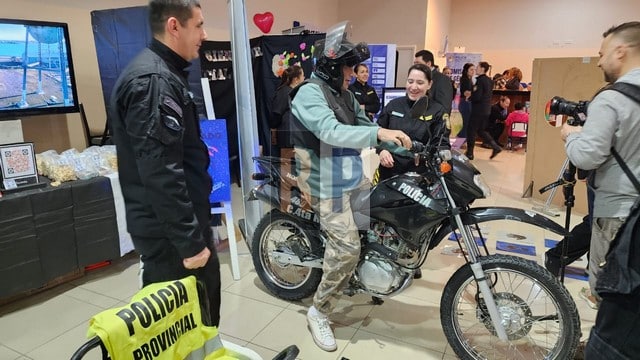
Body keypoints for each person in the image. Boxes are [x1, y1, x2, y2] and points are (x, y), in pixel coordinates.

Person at [290, 28, 411, 352]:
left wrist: (402, 145)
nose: (353, 73)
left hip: (350, 175)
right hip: (322, 182)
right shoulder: (309, 93)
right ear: (332, 67)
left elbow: (363, 125)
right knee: (346, 248)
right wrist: (379, 134)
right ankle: (319, 311)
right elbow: (330, 131)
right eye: (348, 67)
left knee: (367, 231)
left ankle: (353, 278)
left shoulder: (344, 93)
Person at [109, 0, 221, 326]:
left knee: (197, 319)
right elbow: (161, 173)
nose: (204, 34)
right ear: (174, 26)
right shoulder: (153, 81)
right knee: (181, 326)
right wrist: (189, 242)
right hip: (170, 237)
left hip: (178, 226)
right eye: (198, 25)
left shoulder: (164, 72)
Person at [559, 21, 640, 359]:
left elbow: (588, 156)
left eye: (602, 53)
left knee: (611, 286)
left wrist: (569, 136)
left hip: (618, 208)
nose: (599, 61)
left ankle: (603, 346)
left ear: (620, 51)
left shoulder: (612, 98)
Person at [376, 63, 451, 182]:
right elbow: (378, 132)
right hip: (389, 171)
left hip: (420, 174)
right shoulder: (393, 105)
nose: (413, 87)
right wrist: (382, 151)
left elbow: (442, 144)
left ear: (429, 84)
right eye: (410, 81)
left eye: (420, 83)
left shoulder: (438, 111)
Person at [466, 61, 501, 160]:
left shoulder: (480, 81)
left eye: (477, 67)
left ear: (482, 69)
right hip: (486, 109)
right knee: (481, 130)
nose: (476, 69)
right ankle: (495, 146)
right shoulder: (490, 81)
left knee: (471, 130)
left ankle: (470, 153)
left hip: (478, 109)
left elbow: (477, 96)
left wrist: (470, 97)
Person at [269, 64, 304, 156]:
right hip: (288, 138)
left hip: (297, 138)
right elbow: (276, 113)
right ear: (296, 79)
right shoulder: (284, 92)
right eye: (302, 76)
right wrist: (273, 131)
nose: (304, 78)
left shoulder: (296, 93)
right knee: (287, 167)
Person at [414, 50, 453, 114]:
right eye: (414, 63)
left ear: (428, 63)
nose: (415, 66)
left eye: (418, 63)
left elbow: (444, 108)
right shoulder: (417, 78)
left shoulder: (442, 79)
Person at [457, 63, 475, 139]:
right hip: (465, 102)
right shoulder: (465, 79)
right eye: (471, 69)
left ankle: (463, 139)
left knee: (467, 122)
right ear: (466, 70)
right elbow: (466, 93)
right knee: (466, 122)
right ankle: (462, 139)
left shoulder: (469, 79)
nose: (473, 71)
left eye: (474, 69)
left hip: (466, 102)